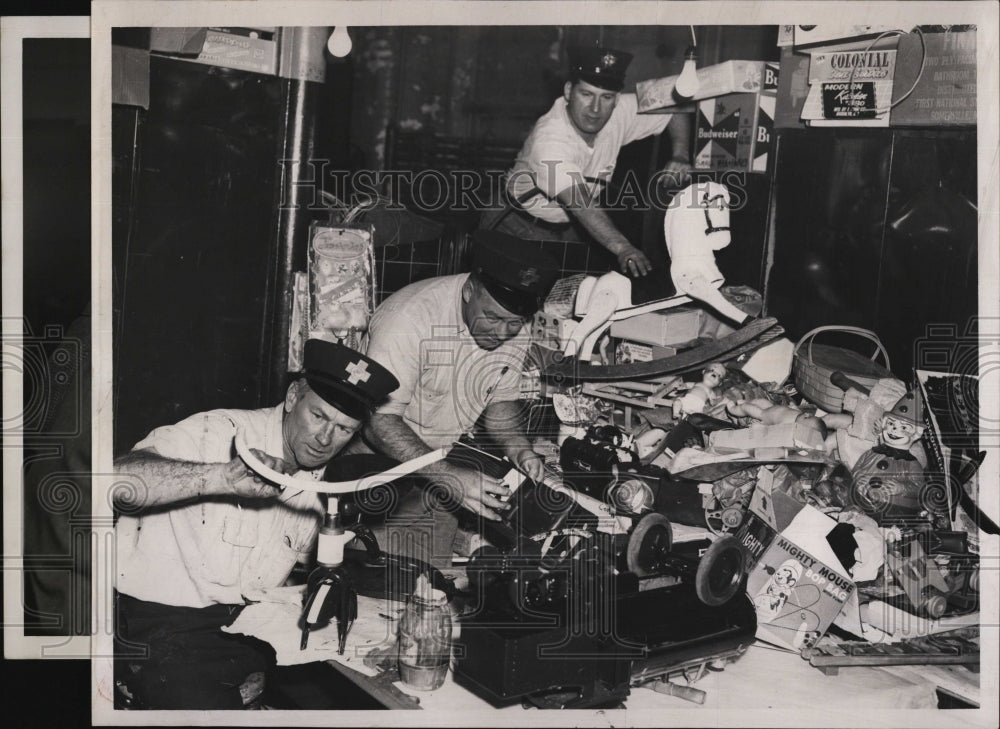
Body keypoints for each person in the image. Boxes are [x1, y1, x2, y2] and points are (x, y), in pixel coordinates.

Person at [112, 340, 398, 709]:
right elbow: (115, 481)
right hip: (161, 621)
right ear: (294, 396)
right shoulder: (218, 432)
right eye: (319, 417)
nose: (325, 439)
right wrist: (220, 478)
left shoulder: (327, 480)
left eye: (344, 429)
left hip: (249, 626)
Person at [360, 229, 559, 568]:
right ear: (469, 291)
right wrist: (449, 477)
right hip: (372, 471)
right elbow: (379, 423)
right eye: (493, 319)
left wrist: (519, 448)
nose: (502, 334)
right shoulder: (410, 319)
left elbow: (500, 399)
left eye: (514, 324)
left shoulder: (513, 324)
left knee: (428, 590)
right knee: (375, 582)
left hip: (437, 473)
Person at [481, 45, 693, 278]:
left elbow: (674, 101)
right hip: (515, 224)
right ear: (569, 91)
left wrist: (680, 154)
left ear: (616, 99)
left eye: (606, 98)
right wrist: (623, 247)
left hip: (570, 227)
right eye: (586, 94)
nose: (595, 109)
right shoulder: (550, 139)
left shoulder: (619, 111)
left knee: (574, 299)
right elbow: (581, 203)